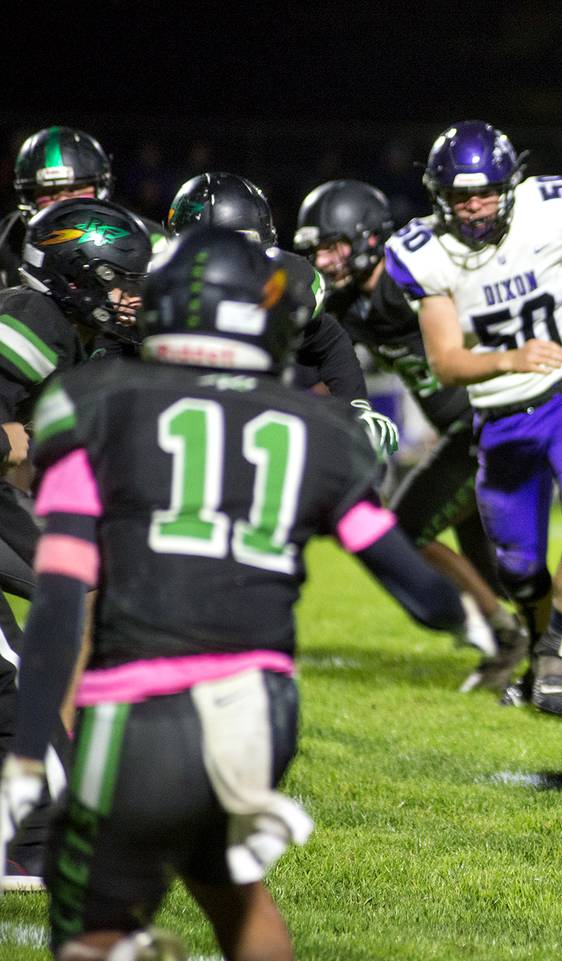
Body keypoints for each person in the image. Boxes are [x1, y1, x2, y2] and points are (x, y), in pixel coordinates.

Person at [0, 227, 466, 960]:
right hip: (262, 709)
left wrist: (29, 752)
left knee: (88, 913)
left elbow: (61, 594)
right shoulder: (314, 425)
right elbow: (411, 577)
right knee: (231, 887)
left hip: (141, 701)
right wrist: (472, 622)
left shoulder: (97, 401)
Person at [295, 178, 562, 688]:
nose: (325, 262)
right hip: (462, 428)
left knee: (404, 529)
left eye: (333, 247)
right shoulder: (351, 303)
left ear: (370, 238)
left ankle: (536, 639)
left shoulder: (411, 275)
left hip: (488, 421)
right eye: (316, 252)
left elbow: (515, 297)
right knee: (505, 567)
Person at [389, 120, 562, 716]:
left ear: (510, 184)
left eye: (486, 191)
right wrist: (510, 359)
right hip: (501, 418)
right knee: (517, 569)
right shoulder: (425, 252)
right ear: (438, 196)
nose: (474, 207)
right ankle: (549, 647)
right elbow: (447, 363)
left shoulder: (550, 207)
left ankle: (559, 646)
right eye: (461, 196)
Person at [0, 197, 152, 889]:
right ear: (72, 275)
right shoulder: (35, 319)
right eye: (120, 280)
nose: (130, 296)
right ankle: (29, 845)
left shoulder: (65, 332)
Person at [163, 171, 400, 460]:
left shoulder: (288, 285)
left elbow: (328, 338)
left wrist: (355, 406)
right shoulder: (154, 295)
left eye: (239, 248)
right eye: (209, 247)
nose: (223, 262)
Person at [0, 126, 166, 289]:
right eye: (50, 192)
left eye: (74, 189)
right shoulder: (7, 239)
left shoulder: (147, 241)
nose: (63, 201)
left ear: (100, 188)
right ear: (28, 197)